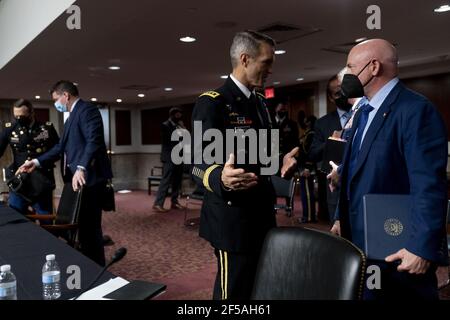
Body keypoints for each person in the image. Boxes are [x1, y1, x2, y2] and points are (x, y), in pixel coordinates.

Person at [328, 39, 448, 299]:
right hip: (362, 240)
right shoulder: (362, 112)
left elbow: (429, 185)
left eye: (350, 66)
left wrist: (422, 248)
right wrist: (341, 215)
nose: (345, 74)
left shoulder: (416, 110)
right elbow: (352, 168)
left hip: (399, 243)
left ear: (373, 67)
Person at [191, 30, 298, 300]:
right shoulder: (213, 102)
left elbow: (264, 154)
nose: (271, 69)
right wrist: (220, 177)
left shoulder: (260, 102)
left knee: (259, 287)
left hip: (262, 213)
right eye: (267, 62)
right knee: (233, 293)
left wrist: (280, 160)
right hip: (232, 219)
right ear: (245, 59)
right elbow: (194, 161)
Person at [19, 80, 113, 266]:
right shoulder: (71, 116)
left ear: (65, 95)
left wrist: (81, 167)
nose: (56, 103)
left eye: (56, 99)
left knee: (91, 229)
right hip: (78, 180)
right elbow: (60, 147)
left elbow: (93, 141)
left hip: (90, 178)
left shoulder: (87, 110)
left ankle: (98, 269)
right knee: (84, 229)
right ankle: (89, 266)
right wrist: (36, 162)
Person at [0, 99, 59, 215]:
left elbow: (58, 151)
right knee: (15, 218)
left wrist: (40, 161)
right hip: (19, 182)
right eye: (15, 116)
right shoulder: (10, 128)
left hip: (41, 182)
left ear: (31, 113)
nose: (18, 119)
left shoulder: (46, 128)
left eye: (21, 116)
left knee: (45, 220)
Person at [309, 75, 353, 222]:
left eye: (344, 90)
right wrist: (331, 142)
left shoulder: (363, 114)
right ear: (330, 98)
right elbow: (313, 153)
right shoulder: (323, 123)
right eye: (337, 93)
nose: (343, 95)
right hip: (334, 187)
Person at [152, 107, 186, 212]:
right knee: (166, 180)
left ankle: (174, 202)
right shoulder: (165, 125)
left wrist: (183, 128)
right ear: (172, 115)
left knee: (177, 180)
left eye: (180, 115)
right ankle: (158, 204)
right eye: (177, 115)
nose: (179, 117)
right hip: (169, 157)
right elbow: (171, 140)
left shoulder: (179, 126)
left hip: (179, 156)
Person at [298, 115, 317, 223]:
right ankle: (307, 215)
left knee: (308, 194)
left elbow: (310, 152)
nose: (303, 122)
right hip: (302, 167)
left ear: (309, 122)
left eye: (306, 121)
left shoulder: (311, 135)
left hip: (307, 167)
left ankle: (309, 216)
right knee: (304, 193)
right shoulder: (306, 133)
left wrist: (307, 167)